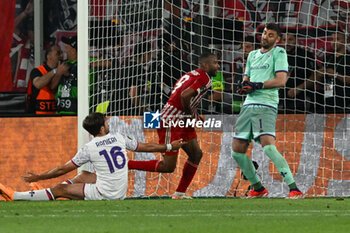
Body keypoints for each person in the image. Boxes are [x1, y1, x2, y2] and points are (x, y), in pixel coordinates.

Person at [0, 112, 186, 201]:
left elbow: (63, 169)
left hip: (105, 194)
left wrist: (39, 175)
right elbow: (145, 146)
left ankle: (16, 196)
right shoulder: (119, 137)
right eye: (106, 121)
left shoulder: (89, 148)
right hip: (119, 191)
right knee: (83, 176)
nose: (108, 122)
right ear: (102, 128)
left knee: (58, 188)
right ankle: (44, 193)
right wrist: (170, 146)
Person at [128, 53, 220, 199]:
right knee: (168, 166)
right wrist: (191, 115)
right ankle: (126, 165)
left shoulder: (192, 74)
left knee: (196, 154)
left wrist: (194, 116)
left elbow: (181, 96)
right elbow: (184, 95)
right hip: (171, 121)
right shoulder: (205, 78)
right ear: (205, 65)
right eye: (215, 63)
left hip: (180, 119)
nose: (218, 66)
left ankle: (180, 193)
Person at [233, 23, 303, 199]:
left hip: (266, 104)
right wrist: (243, 87)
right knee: (237, 151)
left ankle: (294, 189)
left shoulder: (279, 53)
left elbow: (281, 81)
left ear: (277, 39)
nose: (266, 37)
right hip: (248, 105)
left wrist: (257, 85)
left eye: (271, 35)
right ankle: (258, 188)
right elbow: (246, 78)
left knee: (268, 146)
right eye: (265, 33)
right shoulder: (252, 55)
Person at [289, 30, 350, 113]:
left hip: (345, 100)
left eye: (337, 39)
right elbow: (317, 80)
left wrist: (335, 75)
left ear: (345, 41)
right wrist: (318, 76)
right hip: (328, 99)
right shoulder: (328, 58)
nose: (334, 42)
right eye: (332, 39)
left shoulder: (348, 58)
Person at [27, 45, 69, 114]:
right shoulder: (37, 71)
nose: (61, 56)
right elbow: (38, 84)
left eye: (62, 53)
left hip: (56, 115)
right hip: (37, 116)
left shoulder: (63, 71)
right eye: (58, 53)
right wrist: (55, 71)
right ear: (48, 57)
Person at [279, 33, 315, 113]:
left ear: (296, 40)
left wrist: (299, 88)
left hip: (301, 97)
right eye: (284, 40)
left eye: (290, 39)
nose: (287, 43)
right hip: (281, 97)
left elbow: (315, 77)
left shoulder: (305, 55)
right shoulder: (278, 55)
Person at [56, 36, 78, 114]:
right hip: (60, 110)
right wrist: (58, 72)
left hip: (75, 112)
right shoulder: (62, 64)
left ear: (73, 50)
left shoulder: (86, 62)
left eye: (67, 46)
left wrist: (89, 65)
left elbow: (109, 63)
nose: (65, 49)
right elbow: (52, 86)